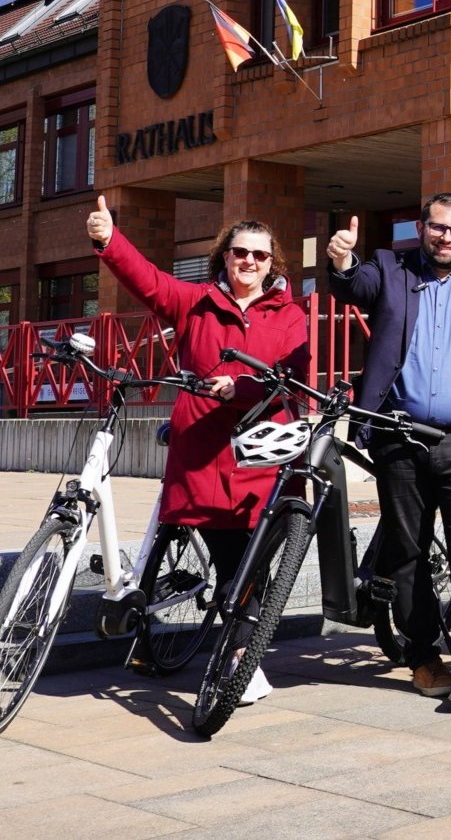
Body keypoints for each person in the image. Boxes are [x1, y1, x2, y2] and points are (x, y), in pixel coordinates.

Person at [89, 197, 310, 707]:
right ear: (224, 258)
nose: (248, 262)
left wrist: (244, 389)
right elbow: (147, 279)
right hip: (205, 452)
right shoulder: (196, 303)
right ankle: (239, 656)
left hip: (260, 452)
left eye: (259, 255)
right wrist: (108, 240)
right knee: (231, 559)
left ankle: (240, 654)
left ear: (272, 262)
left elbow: (293, 380)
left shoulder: (290, 315)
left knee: (249, 566)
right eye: (239, 253)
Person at [325, 192, 451, 712]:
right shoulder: (391, 268)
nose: (447, 238)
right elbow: (355, 286)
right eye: (438, 228)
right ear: (422, 228)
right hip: (401, 436)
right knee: (408, 551)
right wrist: (343, 260)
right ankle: (422, 654)